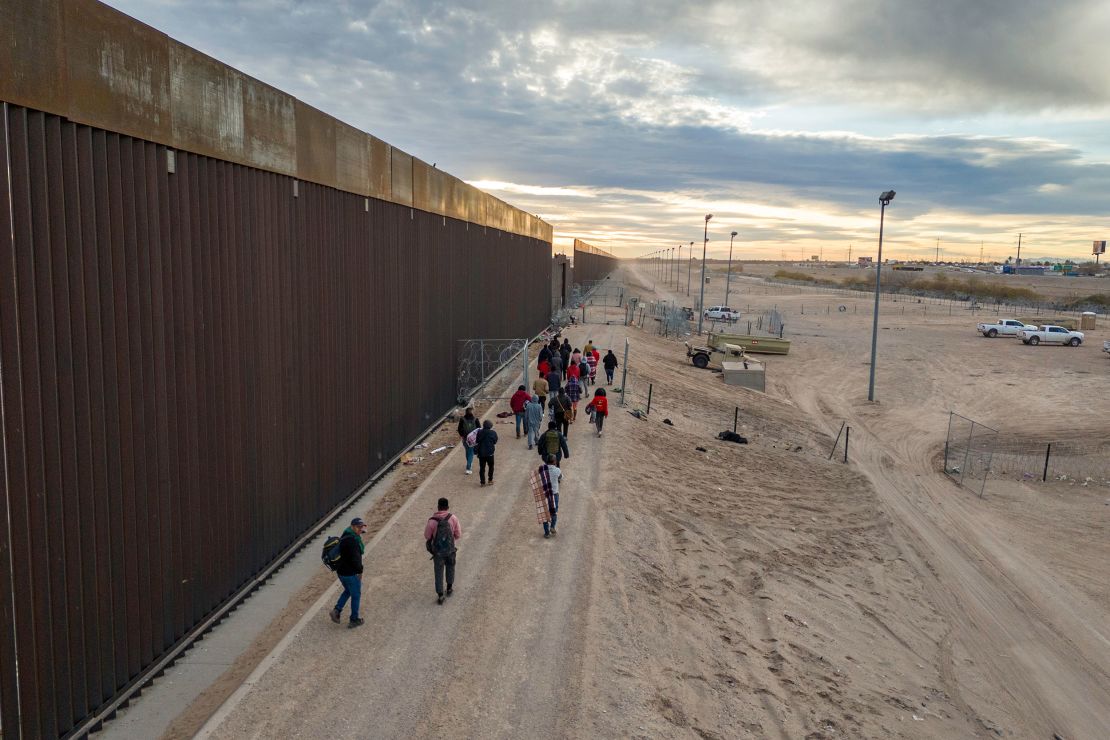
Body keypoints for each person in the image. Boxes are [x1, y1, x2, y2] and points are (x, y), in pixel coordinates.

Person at [330, 517, 368, 628]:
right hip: (350, 573)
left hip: (341, 572)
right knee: (356, 594)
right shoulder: (353, 542)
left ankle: (336, 610)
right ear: (353, 526)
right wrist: (360, 572)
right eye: (358, 527)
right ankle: (354, 619)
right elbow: (356, 560)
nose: (360, 529)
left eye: (361, 527)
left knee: (348, 590)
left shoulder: (346, 535)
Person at [424, 498, 462, 604]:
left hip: (438, 552)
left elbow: (427, 536)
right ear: (447, 507)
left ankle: (440, 595)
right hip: (450, 550)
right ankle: (449, 588)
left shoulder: (432, 521)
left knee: (438, 571)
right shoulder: (453, 518)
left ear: (438, 507)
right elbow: (458, 534)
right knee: (450, 567)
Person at [538, 455, 562, 538]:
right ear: (554, 462)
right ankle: (552, 526)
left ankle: (546, 532)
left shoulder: (542, 470)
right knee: (554, 512)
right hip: (554, 494)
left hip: (544, 494)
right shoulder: (557, 470)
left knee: (545, 513)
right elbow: (561, 477)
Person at [456, 407, 480, 475]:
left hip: (465, 438)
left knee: (468, 451)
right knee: (471, 452)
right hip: (473, 439)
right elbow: (479, 428)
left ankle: (469, 463)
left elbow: (459, 428)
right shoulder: (476, 419)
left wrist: (462, 435)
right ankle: (468, 468)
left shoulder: (462, 419)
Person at [474, 419, 498, 486]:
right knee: (491, 467)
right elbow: (495, 441)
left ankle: (482, 482)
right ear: (490, 426)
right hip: (490, 453)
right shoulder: (493, 432)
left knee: (482, 468)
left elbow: (477, 441)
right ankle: (490, 480)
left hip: (481, 453)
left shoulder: (479, 432)